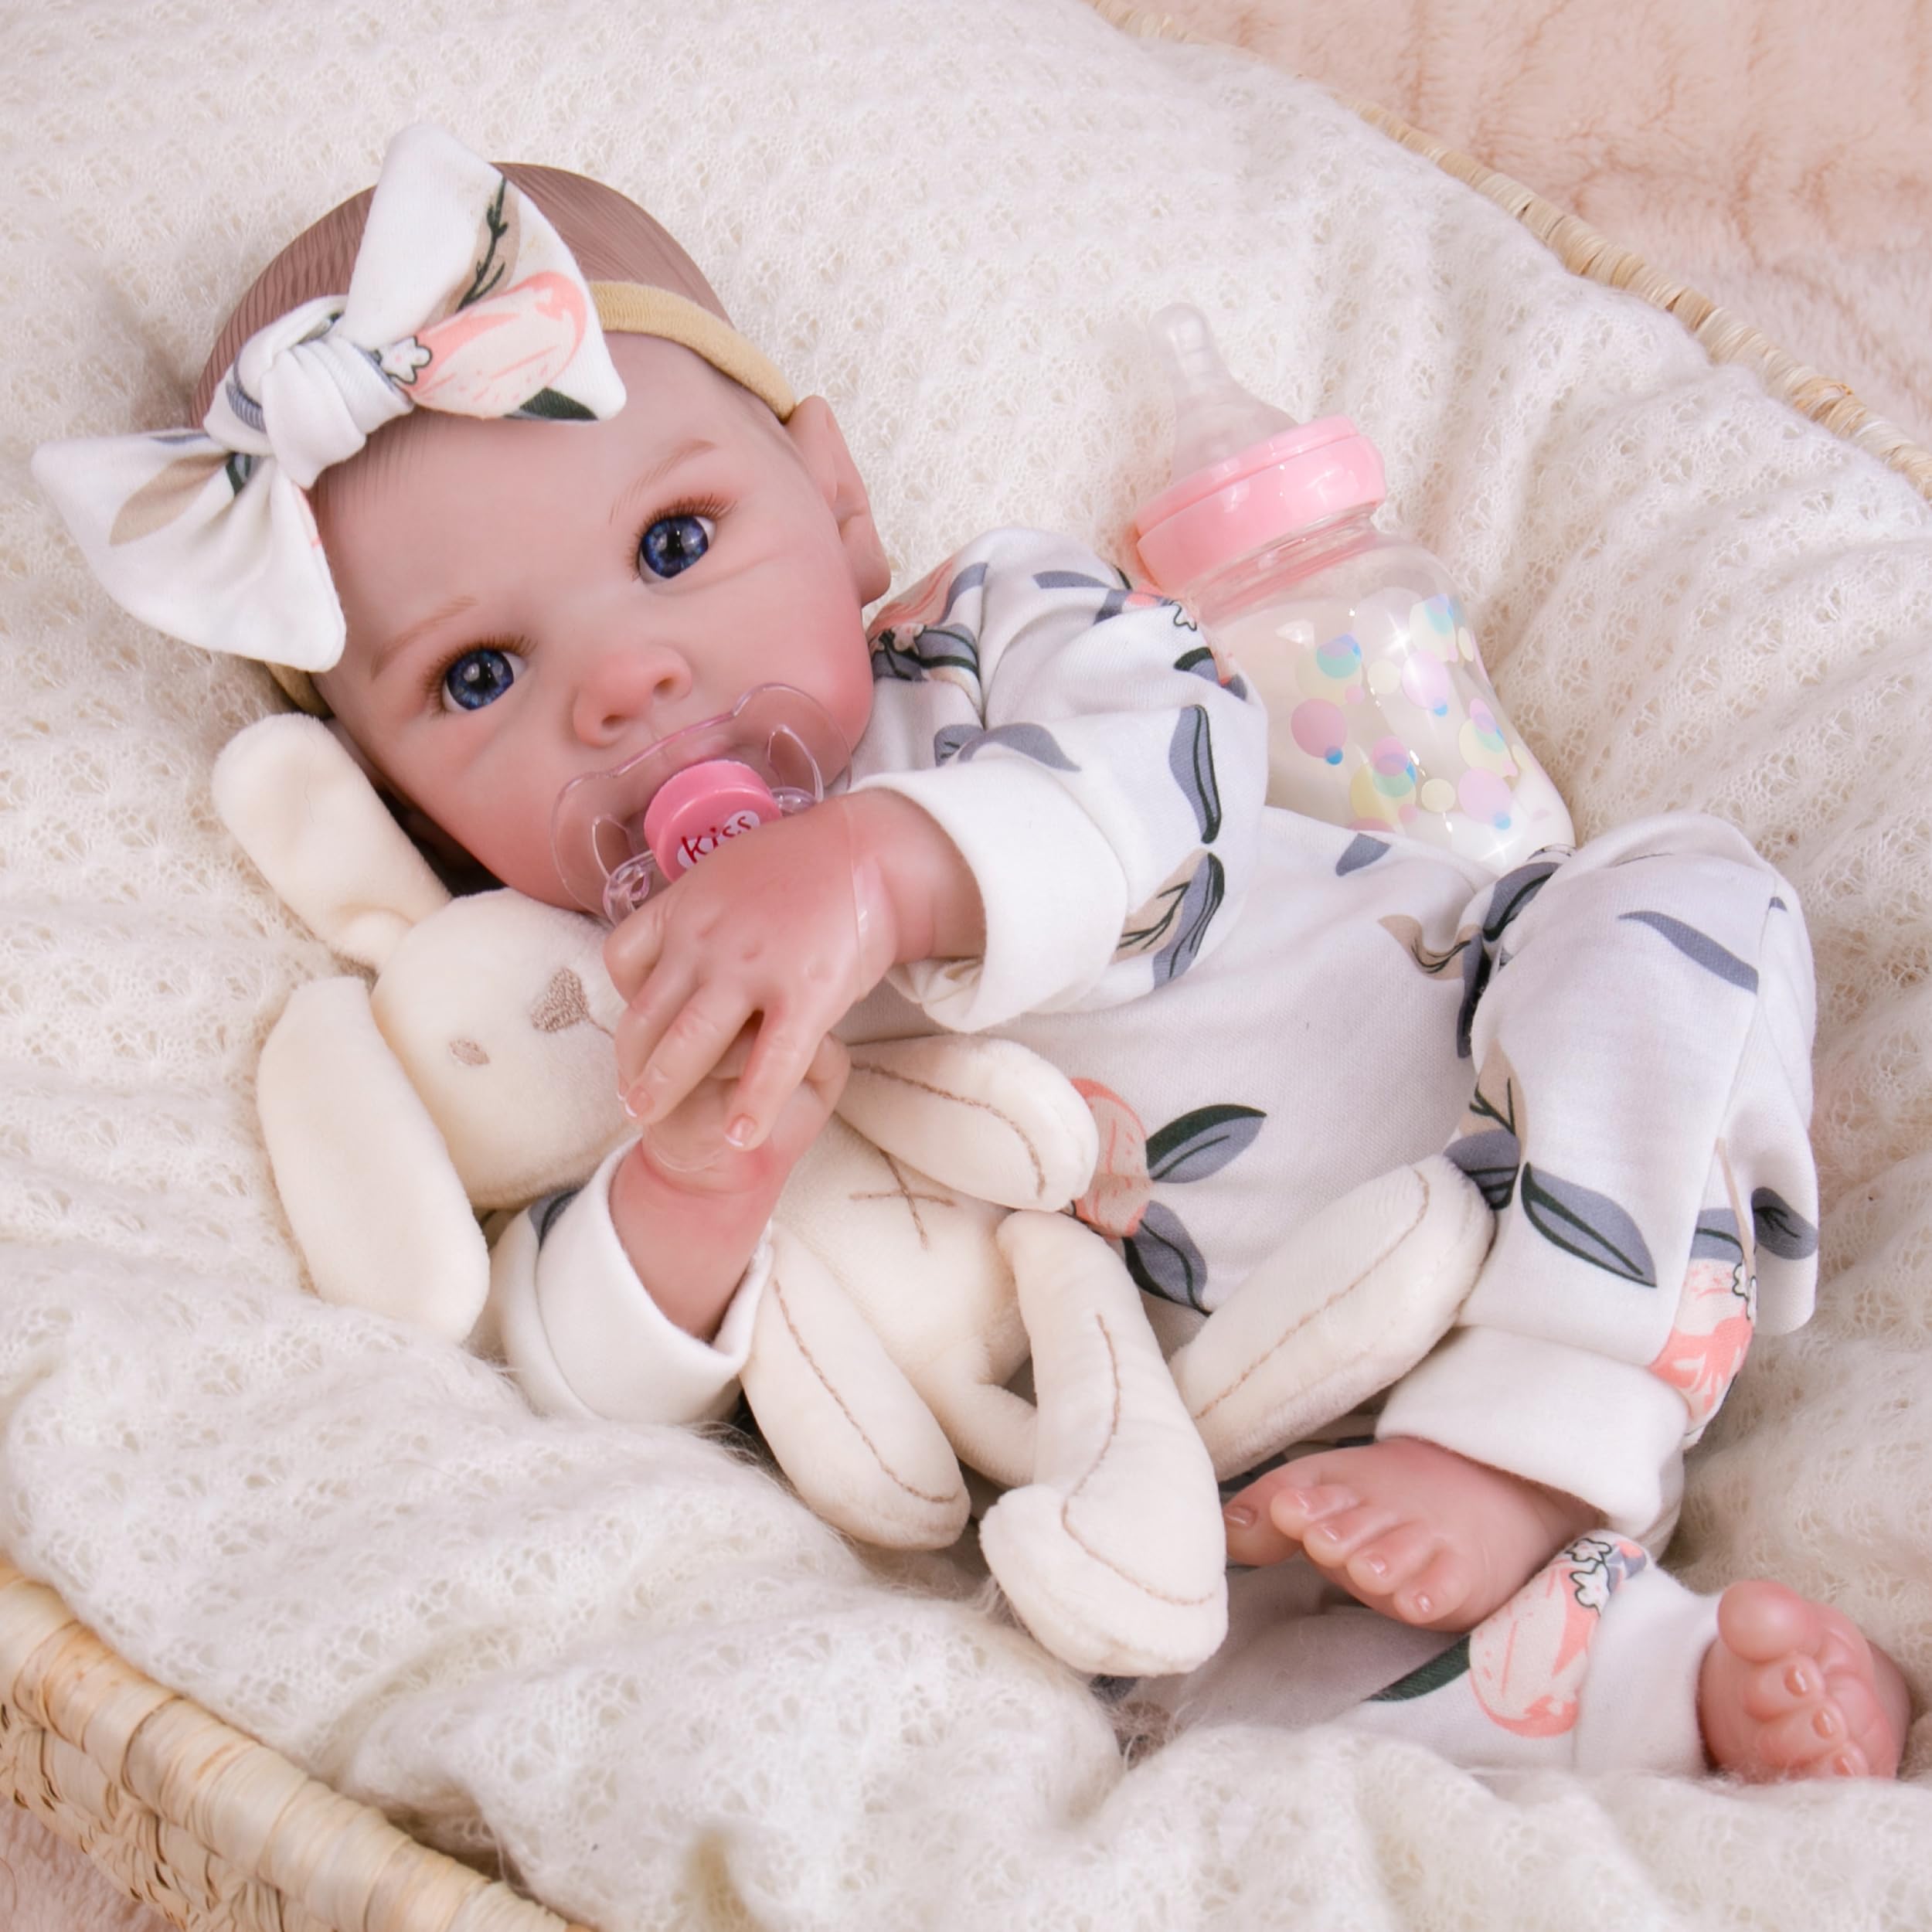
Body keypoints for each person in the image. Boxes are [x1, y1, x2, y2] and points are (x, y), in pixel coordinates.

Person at [32, 126, 1906, 1781]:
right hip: (1236, 1443)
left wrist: (884, 866)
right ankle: (1655, 1685)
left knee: (1679, 909)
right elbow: (565, 1373)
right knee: (1197, 1687)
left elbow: (1180, 760)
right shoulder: (570, 995)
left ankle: (1535, 1439)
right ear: (398, 796)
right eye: (479, 675)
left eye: (673, 541)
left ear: (833, 497)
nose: (623, 677)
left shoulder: (994, 636)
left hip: (1512, 1113)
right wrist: (694, 1188)